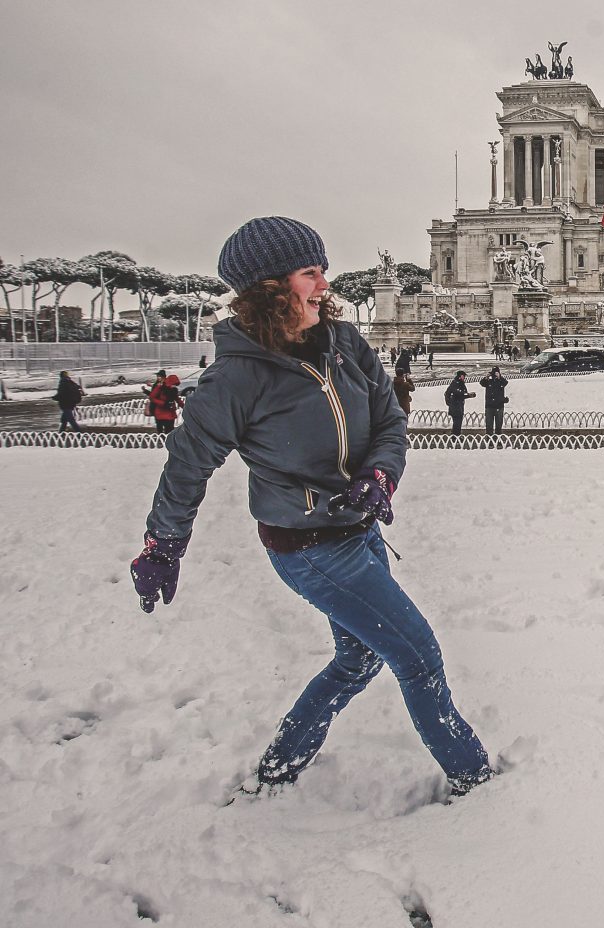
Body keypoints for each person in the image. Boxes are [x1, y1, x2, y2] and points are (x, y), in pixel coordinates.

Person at [128, 215, 492, 799]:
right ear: (270, 288)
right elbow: (187, 466)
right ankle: (474, 776)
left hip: (361, 529)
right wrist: (163, 543)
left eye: (323, 270)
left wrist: (380, 475)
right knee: (417, 654)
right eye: (309, 273)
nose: (325, 284)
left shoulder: (346, 342)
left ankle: (280, 765)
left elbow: (391, 422)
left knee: (360, 658)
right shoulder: (234, 379)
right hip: (311, 548)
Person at [480, 367, 508, 434]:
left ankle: (497, 440)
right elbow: (482, 383)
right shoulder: (489, 381)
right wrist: (486, 377)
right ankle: (489, 440)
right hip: (489, 406)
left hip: (499, 406)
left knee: (498, 425)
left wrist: (499, 377)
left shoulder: (501, 381)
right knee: (489, 425)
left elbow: (505, 383)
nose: (494, 375)